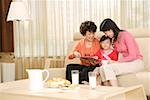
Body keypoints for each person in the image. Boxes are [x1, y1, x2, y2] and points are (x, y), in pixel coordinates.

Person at [98, 18, 144, 86]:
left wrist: (117, 62)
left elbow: (133, 55)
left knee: (108, 68)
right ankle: (108, 92)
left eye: (106, 33)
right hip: (127, 63)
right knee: (102, 68)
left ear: (110, 30)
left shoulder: (126, 35)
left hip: (136, 62)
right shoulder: (114, 39)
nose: (106, 35)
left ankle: (116, 92)